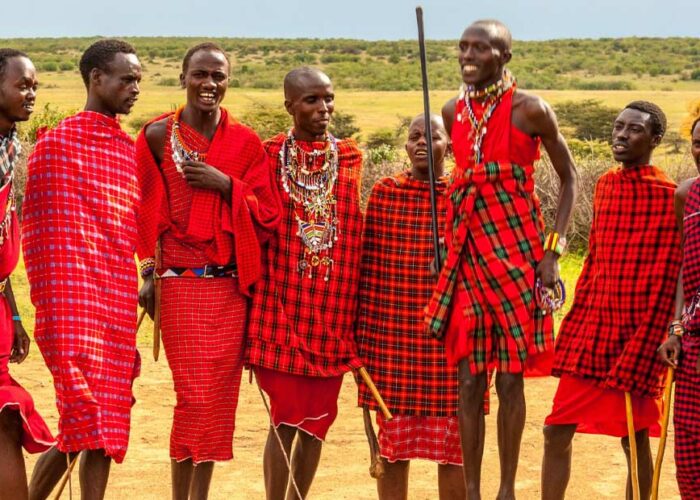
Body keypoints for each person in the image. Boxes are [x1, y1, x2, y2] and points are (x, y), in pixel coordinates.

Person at [423, 19, 577, 500]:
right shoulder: (452, 111)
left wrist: (552, 253)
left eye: (481, 48)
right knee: (469, 377)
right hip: (468, 251)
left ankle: (506, 490)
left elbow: (570, 178)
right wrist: (444, 246)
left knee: (511, 378)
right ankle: (473, 490)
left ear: (504, 56)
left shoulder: (531, 110)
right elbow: (459, 183)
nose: (468, 56)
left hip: (517, 251)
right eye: (463, 47)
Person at [135, 42, 280, 500]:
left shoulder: (245, 142)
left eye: (218, 75)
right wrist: (146, 274)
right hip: (178, 286)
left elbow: (268, 212)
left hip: (231, 287)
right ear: (182, 78)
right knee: (193, 399)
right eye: (200, 74)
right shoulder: (157, 136)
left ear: (228, 80)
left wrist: (226, 184)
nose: (209, 84)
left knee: (218, 404)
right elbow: (142, 210)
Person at [22, 39, 142, 500]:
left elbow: (132, 224)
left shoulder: (127, 150)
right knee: (84, 417)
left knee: (106, 419)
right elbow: (38, 236)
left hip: (114, 302)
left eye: (138, 80)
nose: (134, 89)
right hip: (69, 306)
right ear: (96, 79)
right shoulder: (56, 146)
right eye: (125, 79)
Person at [543, 102, 680, 500]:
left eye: (633, 130)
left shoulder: (669, 195)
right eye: (617, 127)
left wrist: (663, 332)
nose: (621, 135)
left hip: (639, 332)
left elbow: (673, 273)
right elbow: (595, 259)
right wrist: (576, 318)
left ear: (655, 140)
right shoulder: (605, 185)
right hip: (595, 326)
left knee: (634, 438)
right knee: (555, 429)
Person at [246, 66, 363, 500]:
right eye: (312, 100)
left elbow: (352, 231)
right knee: (285, 419)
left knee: (317, 422)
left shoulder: (349, 157)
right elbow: (255, 222)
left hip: (334, 312)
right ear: (289, 106)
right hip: (281, 309)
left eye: (328, 98)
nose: (324, 108)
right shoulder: (268, 153)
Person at [356, 113, 468, 499]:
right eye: (415, 137)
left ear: (449, 146)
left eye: (433, 137)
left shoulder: (463, 195)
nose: (422, 143)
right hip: (393, 340)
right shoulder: (386, 193)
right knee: (393, 444)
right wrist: (363, 339)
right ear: (405, 146)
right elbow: (367, 267)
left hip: (450, 344)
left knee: (455, 449)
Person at [0, 48, 54, 500]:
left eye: (34, 85)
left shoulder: (11, 146)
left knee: (5, 423)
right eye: (22, 85)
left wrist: (15, 316)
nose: (30, 93)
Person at [658, 115, 700, 499]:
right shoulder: (686, 194)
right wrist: (675, 328)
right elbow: (684, 268)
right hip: (694, 343)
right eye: (698, 142)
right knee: (689, 449)